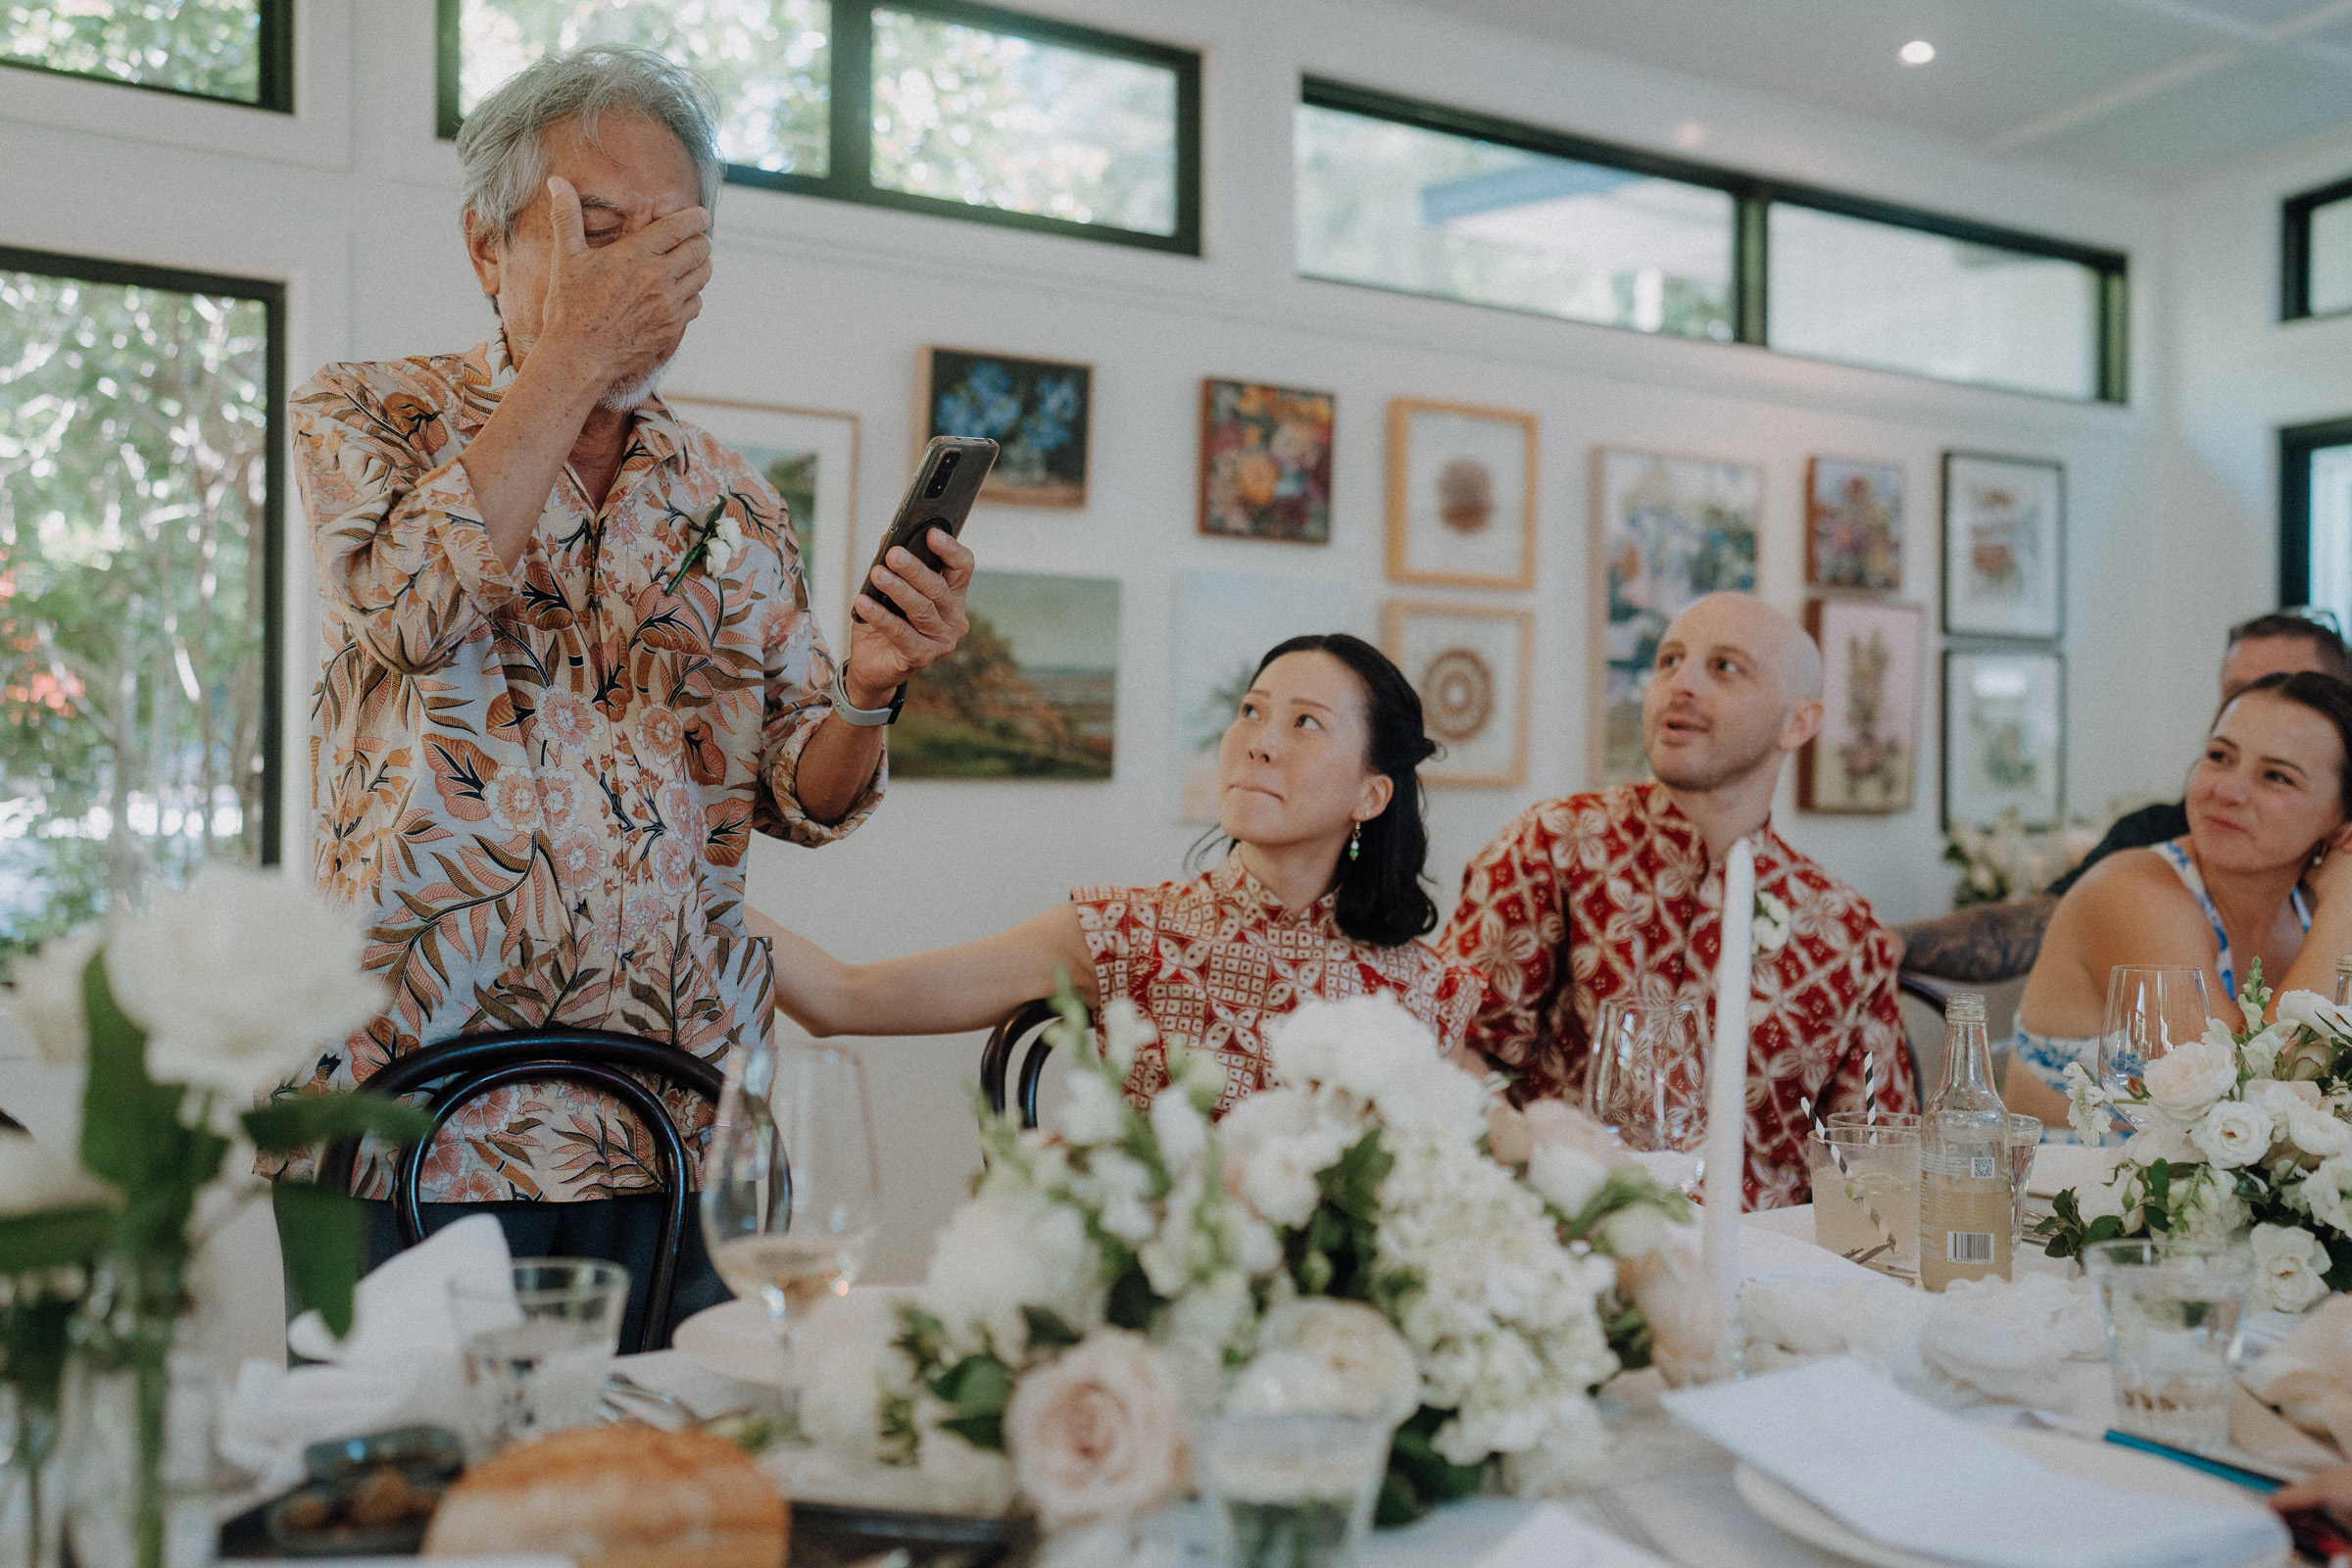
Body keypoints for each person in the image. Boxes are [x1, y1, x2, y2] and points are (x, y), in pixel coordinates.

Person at [261, 47, 976, 1347]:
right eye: (600, 232)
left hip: (681, 1112)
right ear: (489, 247)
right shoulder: (362, 416)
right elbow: (410, 612)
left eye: (674, 242)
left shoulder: (738, 497)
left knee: (680, 1496)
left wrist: (872, 691)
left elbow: (805, 800)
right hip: (406, 1107)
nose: (649, 279)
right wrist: (572, 358)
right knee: (422, 1523)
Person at [754, 635, 1483, 1115]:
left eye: (1306, 723)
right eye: (1251, 710)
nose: (1259, 743)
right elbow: (843, 998)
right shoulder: (1134, 932)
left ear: (1371, 793)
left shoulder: (1427, 991)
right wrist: (691, 888)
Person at [1442, 592, 1915, 1210]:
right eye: (1668, 661)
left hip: (1772, 1271)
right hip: (1578, 1243)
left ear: (1798, 723)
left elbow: (1876, 1162)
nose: (1680, 683)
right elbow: (1453, 1045)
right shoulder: (1556, 848)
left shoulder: (1844, 931)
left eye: (1723, 667)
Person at [1900, 612, 2352, 982]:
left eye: (2288, 686)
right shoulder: (2154, 843)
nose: (2264, 702)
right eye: (2238, 692)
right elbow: (2041, 923)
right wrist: (1896, 943)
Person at [2004, 671, 2352, 1133]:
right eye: (2219, 756)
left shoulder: (2310, 910)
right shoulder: (2130, 890)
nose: (2226, 790)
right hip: (2057, 1200)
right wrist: (2348, 897)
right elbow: (2248, 1102)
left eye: (2275, 776)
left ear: (2342, 818)